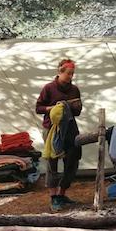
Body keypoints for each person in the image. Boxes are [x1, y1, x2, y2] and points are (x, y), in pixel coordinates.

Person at [36, 58, 83, 211]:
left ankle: (62, 193)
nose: (70, 76)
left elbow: (77, 111)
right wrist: (53, 108)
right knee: (52, 162)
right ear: (60, 72)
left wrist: (73, 106)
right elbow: (39, 108)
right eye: (68, 73)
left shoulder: (74, 89)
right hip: (51, 129)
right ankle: (53, 197)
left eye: (72, 74)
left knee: (72, 160)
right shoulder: (49, 88)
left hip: (70, 129)